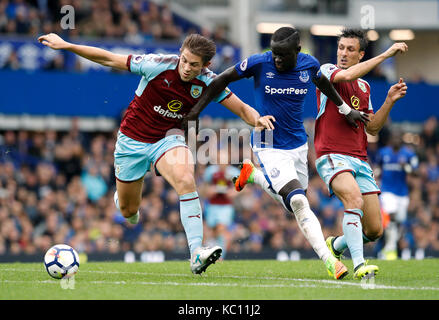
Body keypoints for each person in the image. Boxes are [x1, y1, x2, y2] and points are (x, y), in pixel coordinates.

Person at [38, 32, 275, 274]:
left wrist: (258, 120)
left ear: (206, 65)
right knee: (129, 211)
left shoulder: (208, 81)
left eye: (194, 65)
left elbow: (243, 109)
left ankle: (196, 253)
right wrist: (66, 45)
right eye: (184, 60)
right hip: (131, 143)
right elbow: (110, 59)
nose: (186, 68)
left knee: (185, 179)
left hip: (167, 140)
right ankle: (123, 200)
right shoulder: (157, 65)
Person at [183, 27, 369, 280]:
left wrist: (346, 110)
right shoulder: (260, 62)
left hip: (298, 145)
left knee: (294, 205)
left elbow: (323, 83)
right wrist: (195, 112)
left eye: (282, 55)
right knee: (299, 202)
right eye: (274, 53)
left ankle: (254, 176)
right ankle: (329, 261)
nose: (277, 59)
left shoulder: (308, 65)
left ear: (297, 52)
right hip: (267, 142)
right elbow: (221, 79)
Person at [313, 28, 408, 279]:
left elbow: (373, 127)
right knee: (353, 201)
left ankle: (336, 246)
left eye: (350, 49)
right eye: (341, 48)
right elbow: (344, 77)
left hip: (359, 158)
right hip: (332, 153)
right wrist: (387, 54)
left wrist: (389, 100)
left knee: (375, 230)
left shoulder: (365, 86)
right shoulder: (326, 71)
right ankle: (359, 266)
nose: (343, 53)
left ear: (361, 54)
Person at [376, 129, 418, 260]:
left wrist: (406, 166)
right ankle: (391, 249)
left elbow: (416, 173)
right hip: (387, 191)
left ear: (401, 140)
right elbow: (377, 167)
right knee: (391, 217)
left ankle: (388, 248)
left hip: (402, 193)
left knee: (399, 223)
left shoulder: (408, 154)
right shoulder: (383, 153)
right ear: (390, 140)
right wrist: (375, 175)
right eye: (394, 138)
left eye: (398, 138)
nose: (396, 140)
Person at [200, 147, 240, 258]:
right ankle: (207, 255)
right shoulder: (210, 172)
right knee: (210, 232)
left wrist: (233, 192)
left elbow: (241, 188)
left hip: (226, 206)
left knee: (221, 228)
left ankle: (220, 257)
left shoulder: (234, 173)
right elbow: (203, 189)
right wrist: (208, 191)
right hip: (212, 205)